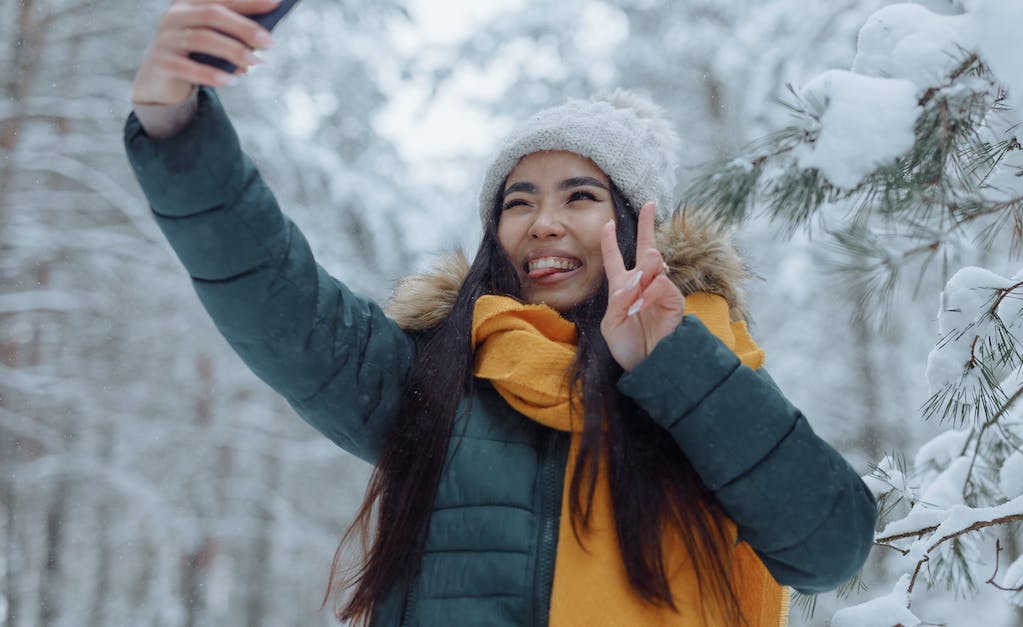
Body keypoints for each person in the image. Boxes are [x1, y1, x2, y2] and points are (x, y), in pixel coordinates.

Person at [124, 1, 877, 625]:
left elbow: (831, 546)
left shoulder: (705, 369)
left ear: (636, 220)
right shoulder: (432, 382)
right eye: (518, 203)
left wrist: (671, 363)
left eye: (579, 196)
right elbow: (273, 293)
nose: (543, 223)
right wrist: (174, 122)